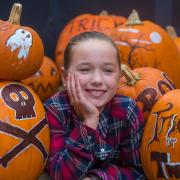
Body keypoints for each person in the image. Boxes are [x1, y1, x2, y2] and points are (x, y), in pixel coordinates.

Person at [44, 31, 146, 180]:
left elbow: (138, 172)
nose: (97, 80)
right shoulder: (55, 109)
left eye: (108, 70)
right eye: (85, 70)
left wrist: (97, 178)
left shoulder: (128, 111)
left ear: (119, 77)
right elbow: (60, 175)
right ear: (65, 78)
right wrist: (89, 120)